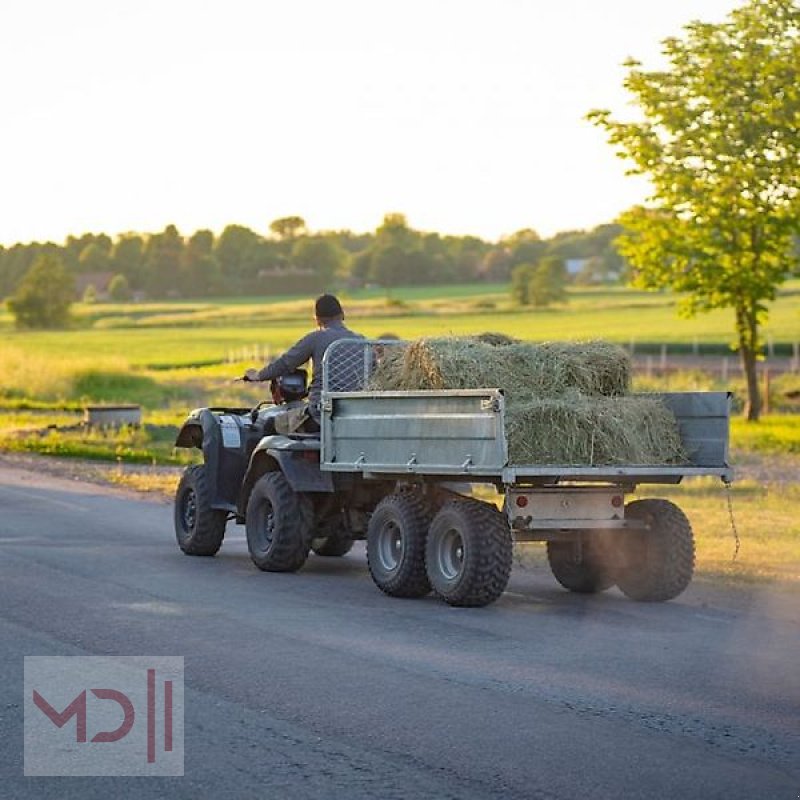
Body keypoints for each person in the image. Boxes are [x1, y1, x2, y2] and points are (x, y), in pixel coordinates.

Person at [244, 294, 364, 421]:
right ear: (342, 315)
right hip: (354, 415)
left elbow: (285, 363)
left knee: (270, 424)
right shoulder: (363, 342)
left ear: (317, 319)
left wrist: (258, 375)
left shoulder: (316, 338)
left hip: (320, 414)